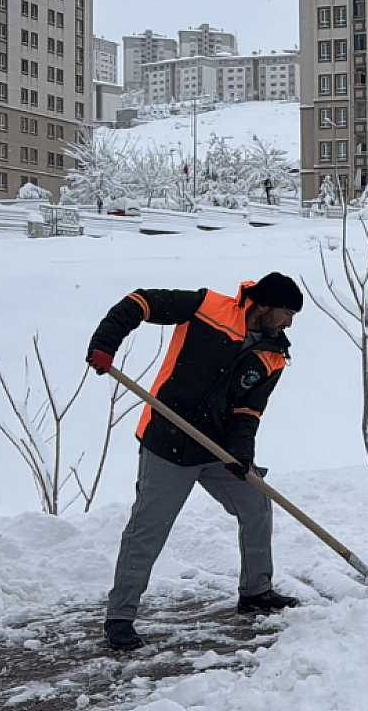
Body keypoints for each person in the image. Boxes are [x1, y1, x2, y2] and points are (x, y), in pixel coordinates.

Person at [86, 273, 304, 651]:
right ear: (265, 305)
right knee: (147, 530)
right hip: (167, 444)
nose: (289, 323)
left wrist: (241, 454)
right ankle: (120, 617)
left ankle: (256, 592)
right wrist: (106, 342)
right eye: (287, 312)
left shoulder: (273, 355)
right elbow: (140, 302)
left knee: (256, 505)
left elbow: (248, 410)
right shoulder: (207, 307)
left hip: (216, 449)